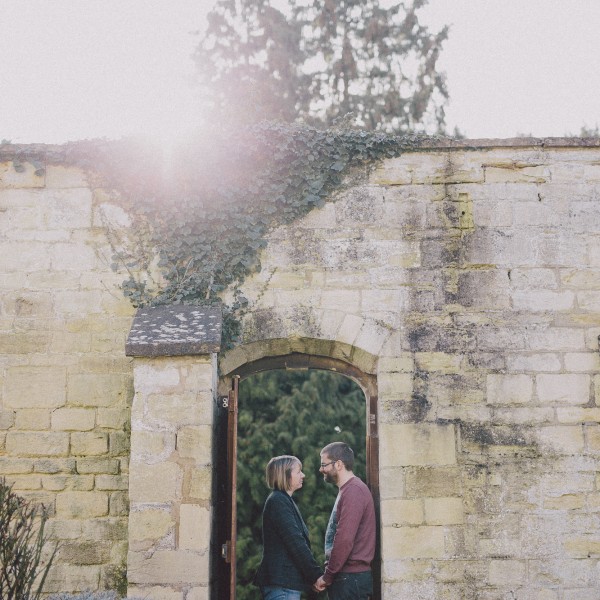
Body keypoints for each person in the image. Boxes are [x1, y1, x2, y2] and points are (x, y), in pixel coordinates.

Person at [254, 455, 323, 600]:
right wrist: (315, 576)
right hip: (282, 586)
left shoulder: (283, 500)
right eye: (298, 471)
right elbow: (296, 543)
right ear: (285, 475)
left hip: (284, 585)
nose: (303, 475)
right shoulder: (278, 501)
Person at [313, 442, 376, 600]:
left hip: (350, 580)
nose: (321, 469)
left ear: (339, 464)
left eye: (324, 464)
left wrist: (328, 576)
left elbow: (344, 539)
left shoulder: (353, 491)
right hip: (347, 579)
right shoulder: (348, 490)